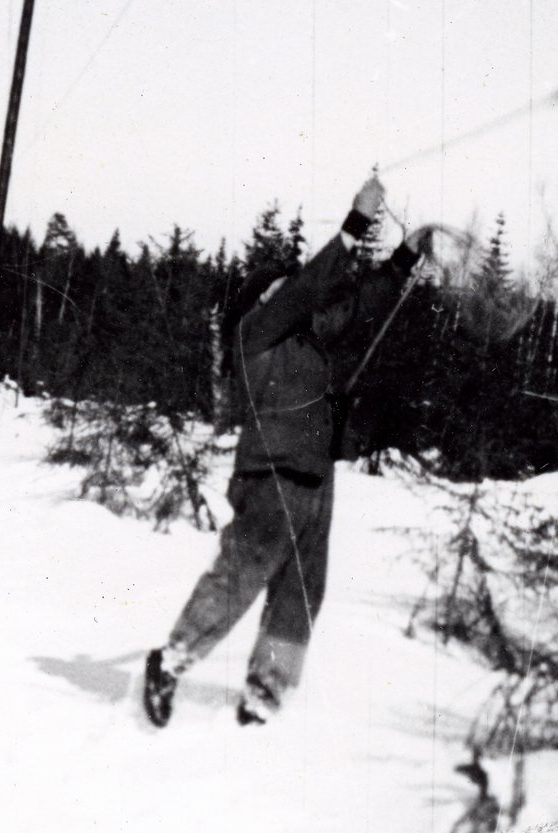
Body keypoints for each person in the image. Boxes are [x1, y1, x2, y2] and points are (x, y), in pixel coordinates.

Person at [143, 175, 431, 729]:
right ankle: (173, 660)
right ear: (262, 301)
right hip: (269, 479)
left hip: (315, 487)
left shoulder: (309, 340)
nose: (293, 295)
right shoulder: (255, 333)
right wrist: (353, 224)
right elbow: (304, 292)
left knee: (301, 594)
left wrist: (401, 261)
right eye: (281, 290)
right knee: (241, 574)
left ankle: (264, 695)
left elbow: (354, 307)